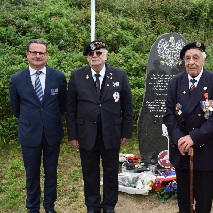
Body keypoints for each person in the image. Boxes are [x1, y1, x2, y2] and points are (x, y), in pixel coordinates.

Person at [66, 40, 133, 213]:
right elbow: (71, 108)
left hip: (111, 132)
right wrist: (72, 135)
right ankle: (93, 205)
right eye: (91, 54)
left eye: (98, 53)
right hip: (86, 133)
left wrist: (125, 131)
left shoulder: (119, 75)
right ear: (87, 58)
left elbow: (127, 106)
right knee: (90, 172)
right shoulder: (77, 76)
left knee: (111, 171)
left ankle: (109, 205)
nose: (95, 56)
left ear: (106, 55)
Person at [163, 42, 213, 213]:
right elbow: (169, 115)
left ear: (203, 60)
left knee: (204, 200)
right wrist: (179, 139)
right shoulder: (175, 83)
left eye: (195, 58)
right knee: (184, 199)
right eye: (187, 58)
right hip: (182, 149)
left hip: (206, 149)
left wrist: (194, 138)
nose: (191, 62)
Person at [9, 39, 67, 213]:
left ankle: (49, 206)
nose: (38, 56)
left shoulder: (58, 77)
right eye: (34, 52)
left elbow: (62, 105)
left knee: (51, 172)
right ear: (27, 54)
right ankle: (32, 207)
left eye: (41, 53)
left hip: (52, 133)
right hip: (29, 134)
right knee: (31, 174)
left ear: (46, 55)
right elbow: (16, 108)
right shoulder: (17, 79)